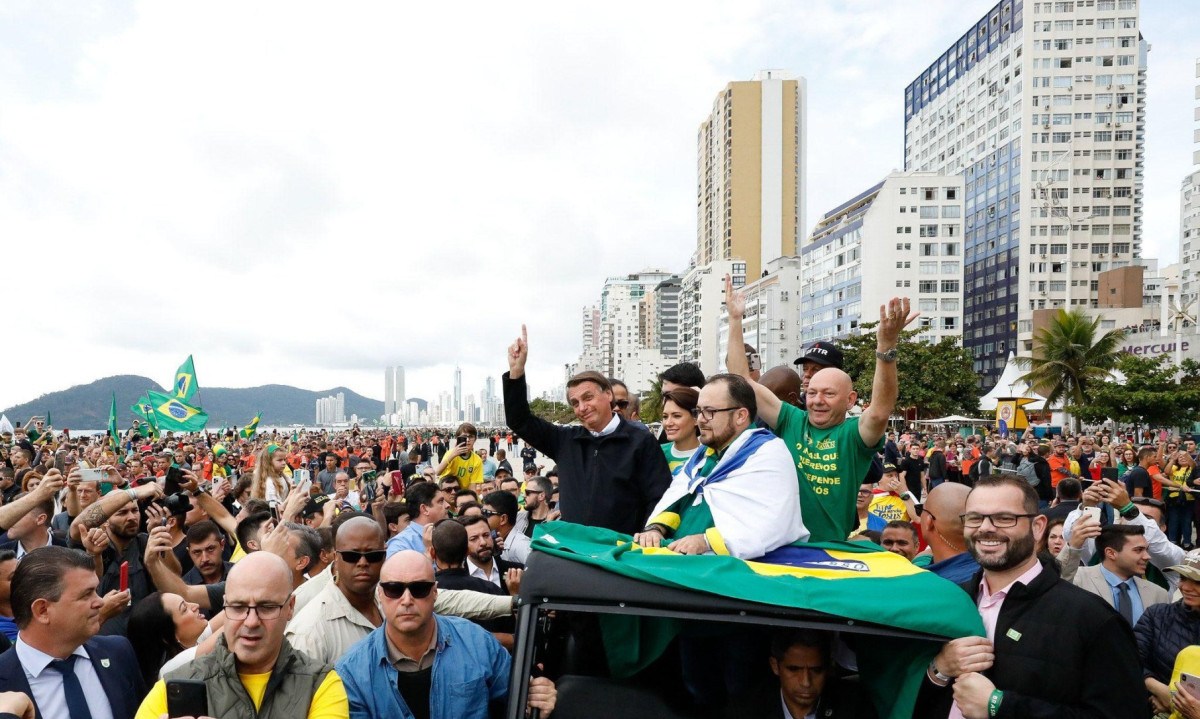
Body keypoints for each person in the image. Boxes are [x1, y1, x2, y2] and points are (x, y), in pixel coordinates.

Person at [917, 475, 1144, 718]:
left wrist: (1000, 706)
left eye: (1004, 518)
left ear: (1037, 527)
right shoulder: (951, 602)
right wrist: (937, 671)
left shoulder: (1093, 619)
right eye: (975, 518)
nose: (985, 528)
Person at [728, 292, 915, 543]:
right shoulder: (791, 420)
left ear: (850, 400)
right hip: (778, 544)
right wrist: (735, 319)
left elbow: (881, 410)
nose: (817, 400)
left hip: (827, 549)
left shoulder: (853, 435)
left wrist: (886, 346)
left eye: (828, 394)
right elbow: (743, 381)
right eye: (812, 392)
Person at [335, 550, 556, 719]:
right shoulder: (353, 671)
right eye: (394, 589)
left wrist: (537, 699)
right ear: (381, 595)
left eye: (419, 589)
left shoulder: (476, 643)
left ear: (434, 593)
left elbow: (517, 697)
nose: (407, 599)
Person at [135, 551, 349, 718]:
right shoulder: (172, 686)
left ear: (290, 606)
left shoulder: (321, 684)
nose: (251, 621)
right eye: (238, 607)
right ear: (225, 605)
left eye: (266, 607)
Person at [503, 325, 672, 535]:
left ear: (608, 395)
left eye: (588, 397)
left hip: (619, 551)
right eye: (575, 403)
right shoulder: (565, 440)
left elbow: (659, 494)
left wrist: (652, 530)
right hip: (574, 549)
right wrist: (516, 372)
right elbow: (519, 420)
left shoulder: (640, 440)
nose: (581, 407)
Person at [635, 374, 805, 558]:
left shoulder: (768, 453)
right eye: (698, 411)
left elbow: (773, 523)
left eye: (710, 411)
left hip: (732, 574)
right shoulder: (703, 454)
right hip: (679, 561)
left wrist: (706, 541)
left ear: (740, 416)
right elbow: (677, 499)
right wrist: (656, 529)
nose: (700, 419)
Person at [0, 546, 145, 719]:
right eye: (86, 594)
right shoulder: (4, 678)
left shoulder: (118, 652)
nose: (99, 602)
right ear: (43, 610)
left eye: (96, 591)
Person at [285, 516, 387, 665]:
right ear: (336, 559)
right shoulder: (310, 631)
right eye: (351, 556)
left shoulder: (393, 601)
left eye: (373, 555)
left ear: (384, 557)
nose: (363, 563)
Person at [725, 629, 875, 719]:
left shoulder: (853, 706)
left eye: (816, 670)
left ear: (828, 668)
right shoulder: (746, 711)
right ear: (775, 666)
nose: (806, 682)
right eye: (794, 669)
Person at [1135, 554, 1200, 715]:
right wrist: (1160, 690)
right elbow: (1130, 660)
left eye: (1197, 582)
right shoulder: (1157, 615)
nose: (1185, 587)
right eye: (1183, 578)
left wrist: (1177, 705)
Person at [1069, 524, 1168, 626]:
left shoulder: (1158, 594)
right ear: (1111, 553)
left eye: (1146, 550)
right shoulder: (1079, 580)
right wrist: (1073, 547)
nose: (1147, 556)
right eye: (1138, 550)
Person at [127, 591, 209, 686]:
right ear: (169, 636)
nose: (196, 605)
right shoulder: (170, 670)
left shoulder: (190, 641)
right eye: (184, 609)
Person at [385, 481, 449, 559]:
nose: (447, 505)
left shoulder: (448, 534)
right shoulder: (400, 544)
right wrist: (428, 554)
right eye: (441, 501)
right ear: (424, 509)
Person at [482, 490, 532, 565]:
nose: (482, 517)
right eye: (482, 512)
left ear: (503, 519)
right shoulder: (491, 541)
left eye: (487, 513)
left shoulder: (524, 547)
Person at [660, 388, 701, 476]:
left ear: (696, 418)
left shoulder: (710, 455)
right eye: (665, 416)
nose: (668, 423)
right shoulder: (657, 452)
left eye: (677, 416)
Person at [435, 423, 483, 490]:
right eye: (464, 437)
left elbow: (472, 485)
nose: (468, 440)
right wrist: (452, 455)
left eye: (471, 436)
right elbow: (437, 472)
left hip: (463, 493)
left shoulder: (477, 460)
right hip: (447, 490)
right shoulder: (450, 453)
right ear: (458, 438)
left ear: (475, 439)